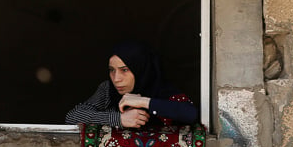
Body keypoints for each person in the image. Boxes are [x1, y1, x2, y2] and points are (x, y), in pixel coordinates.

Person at [65, 41, 198, 128]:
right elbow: (73, 117)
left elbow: (191, 114)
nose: (116, 79)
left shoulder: (161, 90)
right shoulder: (108, 90)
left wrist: (144, 102)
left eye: (124, 70)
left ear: (141, 69)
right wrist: (119, 119)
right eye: (112, 70)